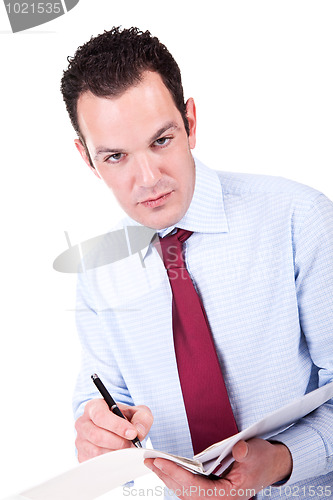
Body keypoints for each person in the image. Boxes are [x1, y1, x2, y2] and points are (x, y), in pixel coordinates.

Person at [60, 27, 333, 499]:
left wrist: (283, 459)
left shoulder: (298, 219)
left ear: (189, 120)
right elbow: (103, 398)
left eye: (161, 140)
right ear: (87, 157)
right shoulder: (98, 271)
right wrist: (99, 434)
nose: (147, 179)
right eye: (116, 156)